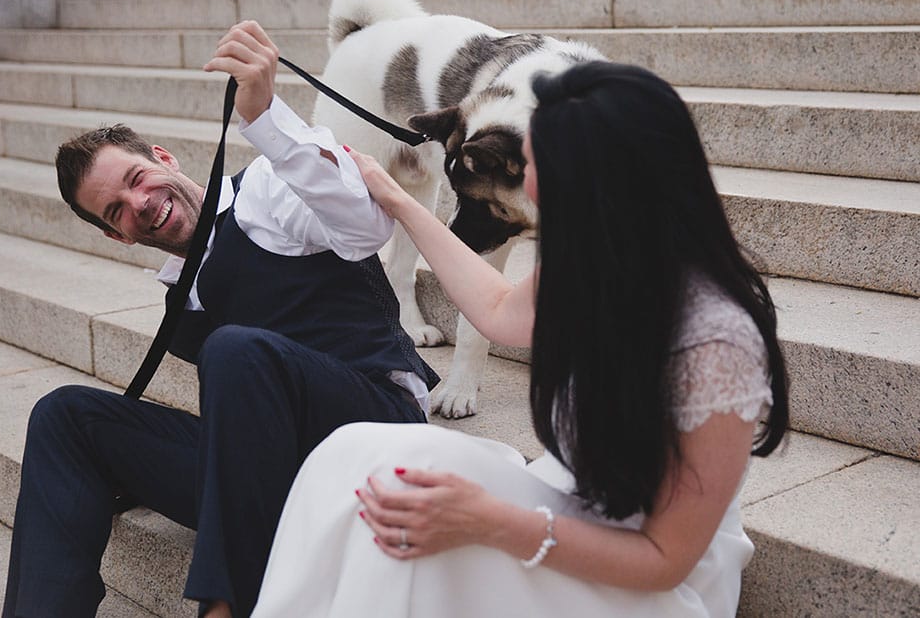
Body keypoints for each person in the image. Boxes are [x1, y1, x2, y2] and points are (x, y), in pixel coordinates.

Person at [250, 61, 790, 617]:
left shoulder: (717, 344)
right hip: (563, 510)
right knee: (351, 453)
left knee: (405, 539)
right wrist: (399, 201)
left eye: (539, 162)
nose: (525, 178)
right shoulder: (597, 257)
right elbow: (499, 308)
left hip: (647, 587)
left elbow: (665, 560)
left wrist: (486, 521)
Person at [1, 21, 437, 618]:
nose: (141, 204)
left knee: (233, 349)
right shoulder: (179, 299)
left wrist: (265, 117)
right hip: (270, 472)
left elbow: (365, 227)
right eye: (116, 211)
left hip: (373, 428)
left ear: (163, 157)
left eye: (136, 179)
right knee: (64, 415)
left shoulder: (269, 192)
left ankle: (226, 608)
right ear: (115, 236)